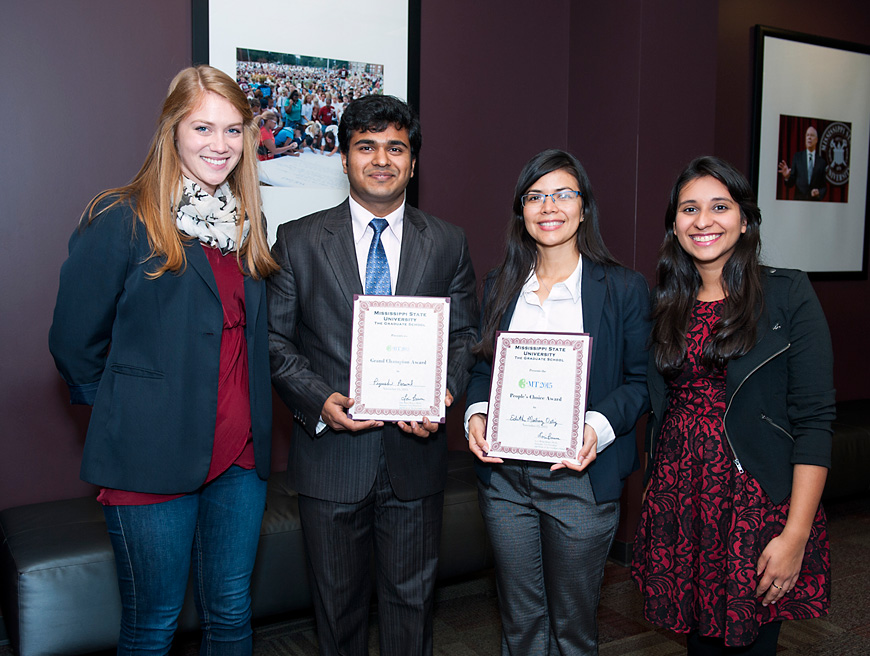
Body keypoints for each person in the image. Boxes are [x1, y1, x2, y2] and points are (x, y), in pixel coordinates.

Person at [48, 65, 278, 654]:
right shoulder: (123, 218)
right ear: (171, 130)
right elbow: (75, 343)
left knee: (231, 613)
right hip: (148, 458)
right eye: (203, 127)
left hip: (240, 461)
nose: (220, 145)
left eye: (233, 130)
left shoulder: (246, 226)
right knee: (154, 623)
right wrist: (132, 416)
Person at [267, 94, 479, 655]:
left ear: (413, 161)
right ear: (344, 159)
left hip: (417, 458)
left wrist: (443, 394)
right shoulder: (298, 240)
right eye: (366, 147)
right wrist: (319, 400)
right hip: (332, 459)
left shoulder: (449, 241)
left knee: (414, 607)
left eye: (395, 147)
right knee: (336, 610)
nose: (381, 159)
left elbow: (464, 336)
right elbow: (274, 341)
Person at [632, 156, 834, 655]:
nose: (703, 221)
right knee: (697, 645)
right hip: (681, 501)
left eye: (719, 206)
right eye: (689, 209)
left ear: (745, 220)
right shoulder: (665, 304)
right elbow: (660, 408)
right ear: (674, 225)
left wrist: (796, 536)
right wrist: (652, 486)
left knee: (751, 644)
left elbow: (813, 422)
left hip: (754, 505)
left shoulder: (787, 296)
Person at [466, 149, 651, 655]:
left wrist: (596, 426)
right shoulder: (500, 284)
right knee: (520, 624)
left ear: (584, 206)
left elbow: (641, 381)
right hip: (506, 481)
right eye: (535, 196)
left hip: (580, 480)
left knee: (573, 628)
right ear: (521, 211)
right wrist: (476, 414)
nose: (549, 206)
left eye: (563, 193)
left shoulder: (624, 288)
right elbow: (484, 367)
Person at [778, 126, 828, 200]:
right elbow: (790, 184)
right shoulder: (797, 157)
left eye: (812, 135)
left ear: (816, 140)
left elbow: (824, 186)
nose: (809, 137)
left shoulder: (822, 162)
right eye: (807, 135)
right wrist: (787, 177)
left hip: (814, 204)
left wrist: (819, 192)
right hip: (799, 202)